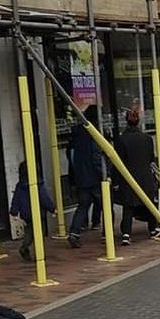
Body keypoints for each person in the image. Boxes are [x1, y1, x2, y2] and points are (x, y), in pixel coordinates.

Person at [114, 106, 160, 246]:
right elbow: (151, 158)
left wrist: (115, 181)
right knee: (149, 203)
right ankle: (152, 229)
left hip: (128, 177)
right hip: (145, 177)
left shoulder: (121, 140)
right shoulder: (147, 139)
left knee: (128, 207)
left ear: (126, 121)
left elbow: (118, 161)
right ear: (139, 121)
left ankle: (126, 234)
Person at [67, 104, 102, 249]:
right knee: (105, 203)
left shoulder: (76, 134)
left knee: (82, 206)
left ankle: (74, 232)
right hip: (94, 176)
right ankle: (105, 232)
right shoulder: (94, 133)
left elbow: (70, 154)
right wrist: (104, 173)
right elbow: (96, 156)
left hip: (81, 176)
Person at [9, 160, 56, 263]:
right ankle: (39, 253)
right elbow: (44, 198)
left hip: (26, 213)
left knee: (29, 231)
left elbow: (16, 199)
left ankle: (25, 246)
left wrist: (14, 211)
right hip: (38, 212)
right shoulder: (39, 184)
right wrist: (52, 208)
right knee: (39, 232)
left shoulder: (19, 185)